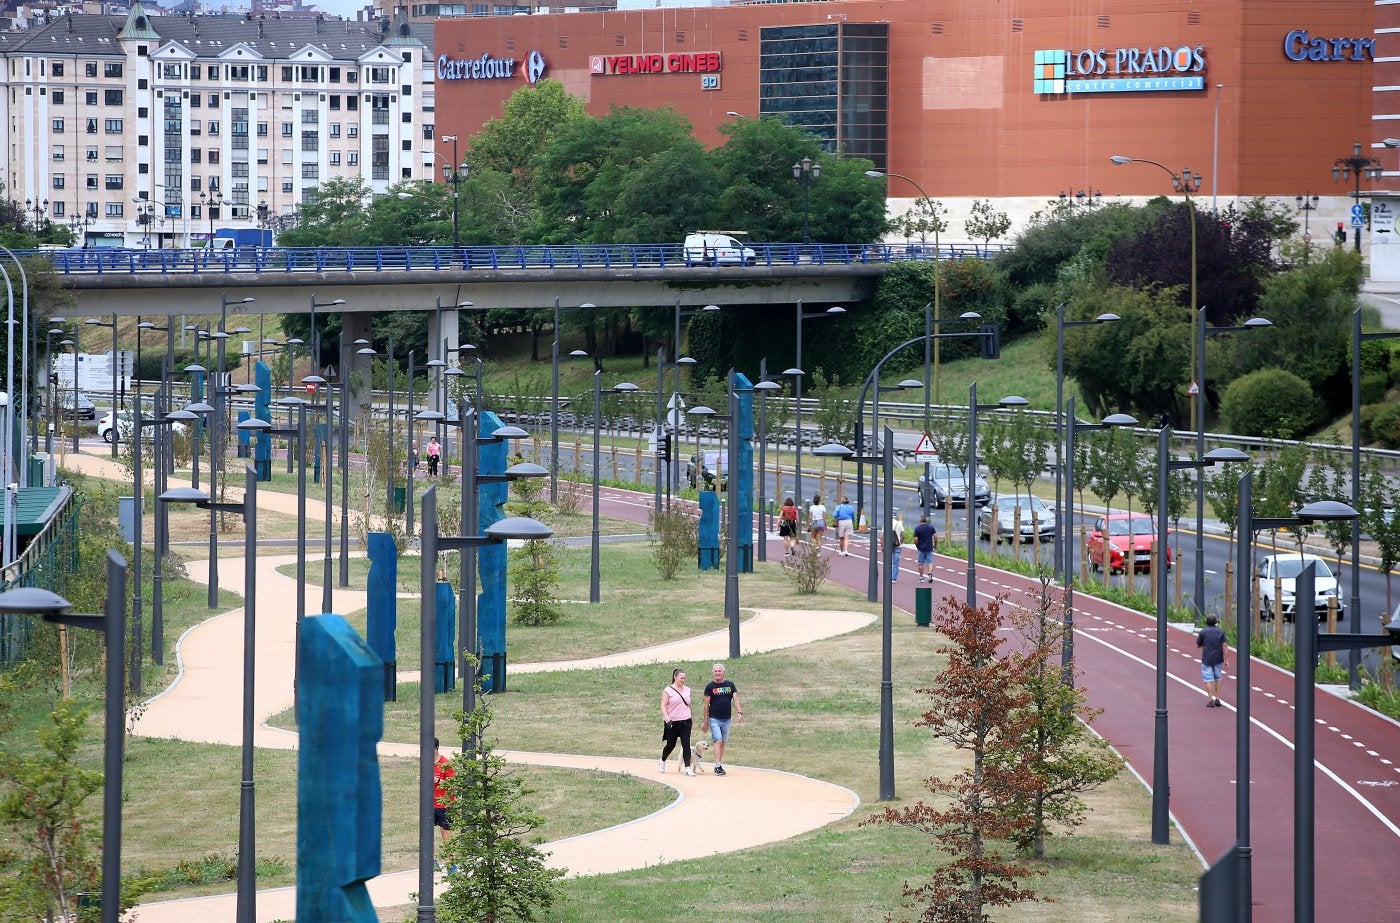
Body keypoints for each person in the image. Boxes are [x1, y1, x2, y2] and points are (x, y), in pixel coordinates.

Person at [702, 662, 743, 776]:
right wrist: (705, 722)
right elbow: (706, 705)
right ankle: (717, 766)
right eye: (715, 671)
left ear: (723, 672)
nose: (717, 673)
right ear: (712, 673)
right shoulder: (710, 687)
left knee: (723, 742)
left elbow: (736, 699)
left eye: (719, 671)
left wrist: (739, 712)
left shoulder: (730, 685)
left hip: (727, 719)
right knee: (718, 740)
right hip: (714, 718)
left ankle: (718, 764)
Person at [659, 668, 695, 776]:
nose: (683, 680)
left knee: (686, 744)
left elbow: (689, 704)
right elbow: (663, 705)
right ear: (675, 677)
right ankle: (662, 761)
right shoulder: (668, 690)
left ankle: (687, 768)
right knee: (671, 745)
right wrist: (666, 717)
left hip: (686, 720)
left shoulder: (687, 689)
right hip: (672, 721)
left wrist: (691, 717)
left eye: (684, 678)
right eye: (681, 678)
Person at [1197, 615, 1228, 707]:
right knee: (1218, 677)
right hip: (1218, 658)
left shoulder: (1203, 632)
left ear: (1206, 622)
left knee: (1208, 679)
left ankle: (1211, 699)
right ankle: (1218, 698)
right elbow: (1225, 645)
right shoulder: (1221, 632)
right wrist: (1226, 660)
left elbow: (1198, 645)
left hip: (1206, 658)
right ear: (1216, 622)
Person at [433, 737, 454, 843]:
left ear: (436, 748)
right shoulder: (425, 762)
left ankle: (450, 854)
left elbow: (453, 785)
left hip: (445, 806)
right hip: (430, 805)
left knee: (447, 839)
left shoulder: (445, 764)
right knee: (425, 836)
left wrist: (437, 780)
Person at [913, 514, 938, 583]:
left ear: (920, 520)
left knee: (920, 563)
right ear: (926, 521)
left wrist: (917, 545)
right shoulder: (931, 527)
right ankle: (930, 572)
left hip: (921, 548)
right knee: (930, 562)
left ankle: (921, 577)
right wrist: (935, 544)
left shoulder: (917, 528)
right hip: (929, 547)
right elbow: (935, 536)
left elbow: (915, 539)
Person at [889, 515, 905, 582]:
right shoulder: (899, 523)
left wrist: (882, 545)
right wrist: (901, 542)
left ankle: (887, 576)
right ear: (895, 517)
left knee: (888, 561)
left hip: (888, 545)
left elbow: (882, 536)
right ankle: (894, 578)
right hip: (897, 545)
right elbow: (903, 535)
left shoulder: (887, 523)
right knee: (896, 562)